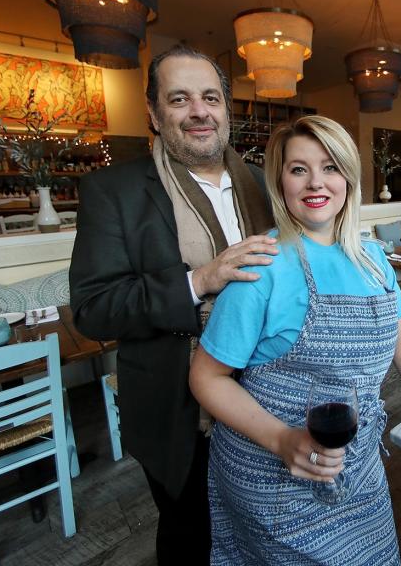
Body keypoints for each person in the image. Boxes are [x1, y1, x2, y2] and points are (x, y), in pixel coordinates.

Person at [190, 115, 401, 565]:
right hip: (272, 486)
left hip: (359, 467)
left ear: (349, 176)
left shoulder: (372, 258)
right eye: (298, 169)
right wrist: (282, 440)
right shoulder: (262, 266)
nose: (316, 182)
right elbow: (206, 377)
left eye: (330, 167)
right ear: (279, 180)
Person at [69, 45, 277, 565]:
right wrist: (200, 280)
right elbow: (93, 309)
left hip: (269, 393)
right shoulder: (112, 190)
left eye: (210, 97)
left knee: (260, 523)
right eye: (179, 99)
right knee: (191, 535)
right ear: (154, 114)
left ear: (227, 110)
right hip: (179, 411)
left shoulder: (262, 182)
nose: (198, 111)